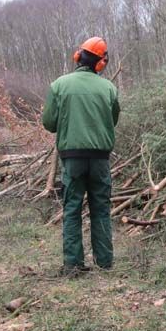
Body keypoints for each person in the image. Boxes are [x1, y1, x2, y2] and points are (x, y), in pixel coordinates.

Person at [42, 37, 121, 276]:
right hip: (99, 159)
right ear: (101, 63)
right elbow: (113, 120)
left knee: (72, 208)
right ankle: (105, 262)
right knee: (101, 208)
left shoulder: (59, 85)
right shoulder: (108, 88)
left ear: (79, 56)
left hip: (72, 158)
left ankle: (73, 264)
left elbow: (49, 123)